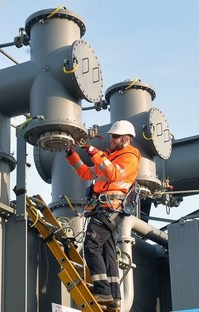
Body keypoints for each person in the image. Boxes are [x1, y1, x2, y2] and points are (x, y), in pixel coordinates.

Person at [65, 120, 141, 309]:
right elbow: (84, 173)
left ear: (126, 139)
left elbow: (114, 174)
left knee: (91, 245)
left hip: (109, 209)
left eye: (115, 137)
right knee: (108, 253)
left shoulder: (130, 158)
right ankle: (114, 296)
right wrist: (70, 153)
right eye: (111, 137)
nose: (111, 140)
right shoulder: (110, 158)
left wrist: (92, 149)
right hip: (105, 209)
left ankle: (101, 291)